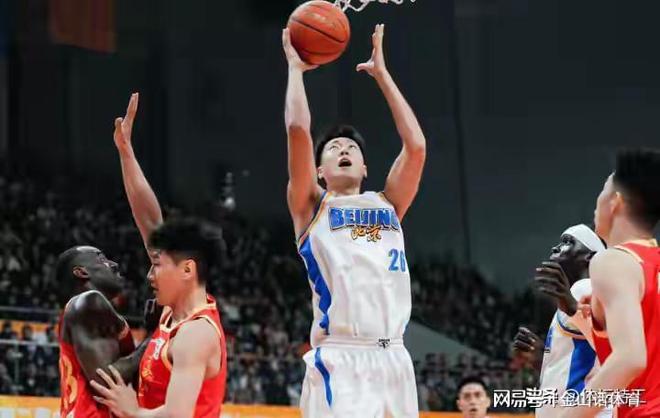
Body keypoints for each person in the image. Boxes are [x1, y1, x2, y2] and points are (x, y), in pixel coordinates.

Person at [282, 22, 427, 417]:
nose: (343, 149)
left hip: (394, 357)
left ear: (365, 168)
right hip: (341, 358)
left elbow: (416, 146)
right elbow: (297, 129)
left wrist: (383, 76)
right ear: (319, 171)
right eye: (333, 148)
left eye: (351, 147)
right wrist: (295, 70)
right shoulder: (312, 205)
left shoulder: (388, 203)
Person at [91, 93, 227, 418]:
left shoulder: (195, 334)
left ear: (187, 270)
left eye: (156, 266)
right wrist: (126, 152)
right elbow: (150, 222)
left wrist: (132, 411)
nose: (149, 275)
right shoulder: (173, 313)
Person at [563, 149, 660, 418]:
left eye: (602, 190)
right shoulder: (647, 266)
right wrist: (595, 322)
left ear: (615, 201)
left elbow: (630, 358)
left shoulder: (613, 260)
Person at [513, 224, 610, 417]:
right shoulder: (571, 297)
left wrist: (572, 305)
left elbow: (614, 346)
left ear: (590, 256)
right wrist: (541, 358)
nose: (555, 247)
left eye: (567, 242)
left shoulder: (587, 288)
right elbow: (570, 367)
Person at [56, 245, 160, 418]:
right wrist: (154, 334)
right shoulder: (89, 301)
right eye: (101, 259)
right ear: (81, 272)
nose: (114, 264)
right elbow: (105, 381)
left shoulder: (85, 310)